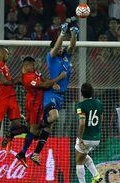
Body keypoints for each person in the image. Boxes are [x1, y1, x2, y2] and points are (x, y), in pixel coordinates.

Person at [29, 23, 78, 163]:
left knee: (50, 126)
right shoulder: (51, 58)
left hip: (61, 96)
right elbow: (56, 47)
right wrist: (62, 34)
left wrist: (74, 35)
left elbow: (72, 47)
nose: (61, 48)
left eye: (62, 47)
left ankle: (36, 153)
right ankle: (36, 126)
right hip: (50, 94)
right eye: (59, 46)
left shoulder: (65, 58)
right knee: (54, 116)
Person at [14, 56, 67, 167]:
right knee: (35, 129)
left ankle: (21, 148)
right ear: (27, 66)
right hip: (34, 105)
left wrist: (52, 83)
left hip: (34, 104)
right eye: (32, 65)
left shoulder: (35, 73)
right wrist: (59, 78)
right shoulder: (28, 77)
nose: (34, 67)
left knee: (35, 130)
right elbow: (43, 85)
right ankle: (21, 150)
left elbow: (44, 80)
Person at [0, 47, 28, 159]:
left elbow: (8, 82)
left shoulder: (4, 66)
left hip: (11, 97)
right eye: (7, 54)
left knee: (17, 124)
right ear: (1, 53)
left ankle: (9, 139)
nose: (8, 56)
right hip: (0, 99)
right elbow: (4, 81)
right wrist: (18, 80)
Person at [75, 83, 103, 183]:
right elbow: (101, 119)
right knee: (84, 155)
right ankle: (96, 176)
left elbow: (82, 123)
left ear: (82, 93)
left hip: (86, 137)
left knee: (79, 160)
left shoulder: (81, 105)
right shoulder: (99, 104)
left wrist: (80, 137)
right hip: (96, 138)